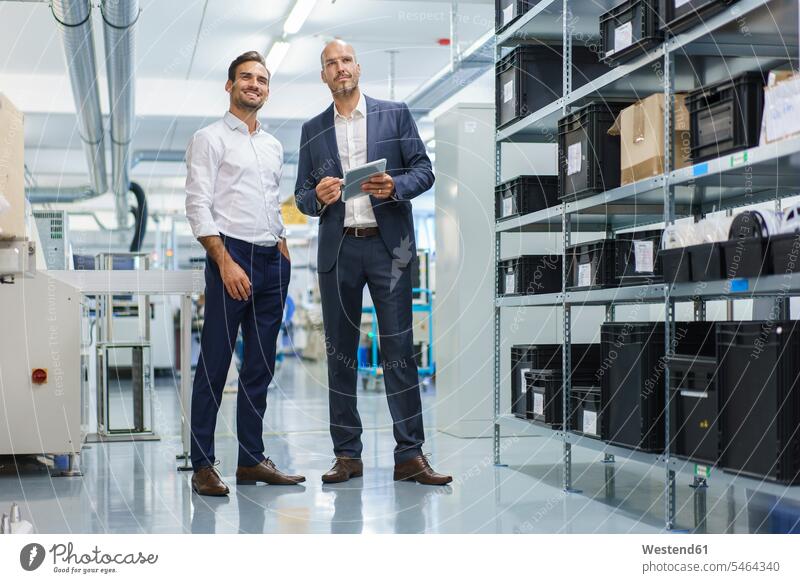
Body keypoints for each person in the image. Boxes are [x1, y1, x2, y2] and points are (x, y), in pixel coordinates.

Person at [294, 40, 451, 486]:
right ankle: (347, 456)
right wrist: (317, 197)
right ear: (323, 75)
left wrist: (394, 186)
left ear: (358, 68)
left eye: (345, 61)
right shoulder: (313, 130)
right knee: (340, 354)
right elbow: (302, 196)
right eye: (331, 64)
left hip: (390, 250)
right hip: (339, 249)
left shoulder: (395, 114)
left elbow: (424, 169)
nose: (340, 68)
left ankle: (410, 455)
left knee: (400, 351)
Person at [185, 50, 305, 496]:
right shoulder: (209, 138)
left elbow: (270, 200)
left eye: (262, 79)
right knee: (215, 364)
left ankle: (251, 460)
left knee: (260, 367)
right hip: (230, 255)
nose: (254, 85)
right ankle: (202, 464)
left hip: (272, 259)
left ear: (267, 89)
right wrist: (224, 261)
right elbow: (198, 206)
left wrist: (282, 241)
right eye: (246, 78)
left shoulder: (272, 145)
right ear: (230, 85)